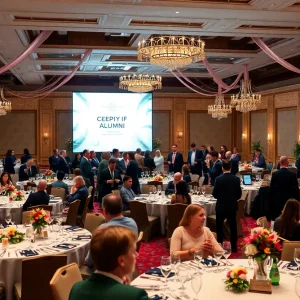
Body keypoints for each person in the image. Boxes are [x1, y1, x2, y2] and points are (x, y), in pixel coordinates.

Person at [70, 226, 148, 300]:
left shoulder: (76, 289)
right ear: (121, 261)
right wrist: (127, 290)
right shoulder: (135, 295)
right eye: (134, 251)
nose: (137, 255)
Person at [85, 193, 138, 268]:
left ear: (105, 210)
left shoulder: (102, 230)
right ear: (121, 208)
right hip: (128, 265)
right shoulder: (132, 222)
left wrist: (86, 260)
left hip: (108, 270)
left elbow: (90, 261)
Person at [212, 160, 242, 252]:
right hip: (232, 206)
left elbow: (215, 194)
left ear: (222, 168)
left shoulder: (218, 179)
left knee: (219, 227)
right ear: (230, 168)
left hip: (221, 206)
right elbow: (239, 195)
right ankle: (234, 247)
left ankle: (219, 246)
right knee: (233, 227)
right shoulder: (236, 179)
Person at [270, 156, 299, 220]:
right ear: (288, 163)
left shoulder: (275, 174)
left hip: (277, 200)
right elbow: (296, 190)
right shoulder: (293, 174)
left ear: (280, 163)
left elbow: (271, 188)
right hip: (289, 201)